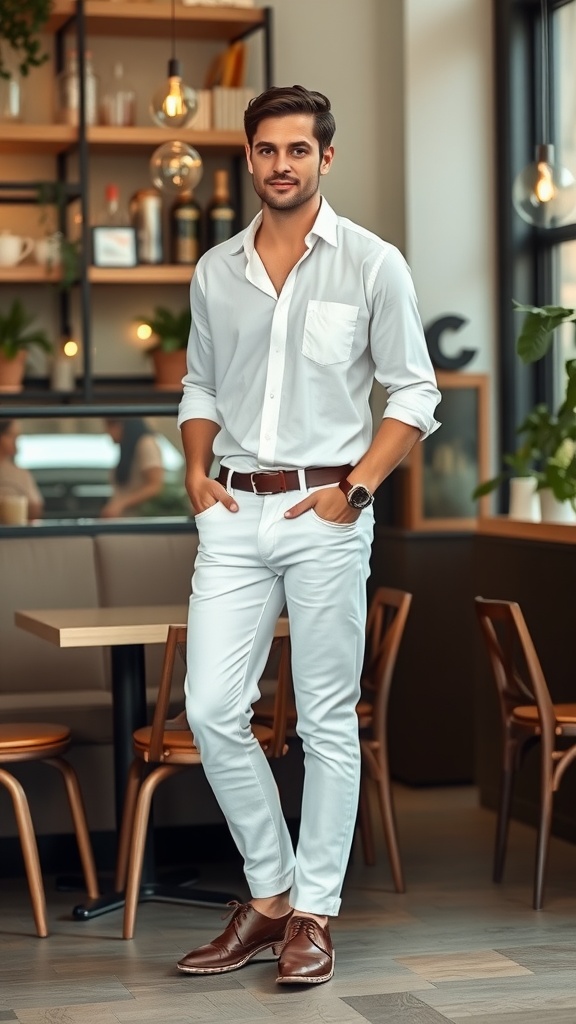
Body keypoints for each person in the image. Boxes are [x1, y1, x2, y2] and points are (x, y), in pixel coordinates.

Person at [176, 85, 441, 985]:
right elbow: (200, 385)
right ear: (246, 158)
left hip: (327, 513)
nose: (280, 164)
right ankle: (274, 893)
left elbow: (414, 395)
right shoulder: (216, 270)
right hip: (233, 513)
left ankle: (312, 916)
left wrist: (355, 491)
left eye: (298, 150)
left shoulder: (374, 264)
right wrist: (193, 468)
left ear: (326, 158)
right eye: (265, 150)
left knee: (327, 718)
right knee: (211, 708)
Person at [100, 417, 164, 518]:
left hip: (139, 520)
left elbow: (154, 486)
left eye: (110, 426)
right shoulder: (126, 449)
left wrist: (121, 504)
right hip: (123, 520)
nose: (107, 432)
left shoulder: (146, 443)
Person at [0, 420, 44, 521]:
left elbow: (35, 511)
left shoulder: (20, 474)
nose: (16, 441)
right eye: (12, 436)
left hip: (14, 534)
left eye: (17, 437)